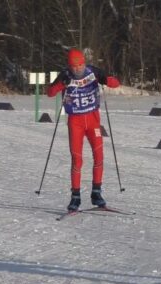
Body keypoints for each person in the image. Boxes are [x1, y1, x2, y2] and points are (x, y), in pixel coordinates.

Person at [47, 48, 120, 211]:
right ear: (69, 65)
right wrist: (61, 84)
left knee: (99, 155)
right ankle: (75, 197)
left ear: (84, 63)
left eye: (80, 65)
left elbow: (116, 83)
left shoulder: (93, 71)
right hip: (75, 122)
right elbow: (50, 93)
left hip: (93, 121)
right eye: (74, 66)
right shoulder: (65, 74)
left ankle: (96, 193)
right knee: (77, 159)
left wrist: (107, 80)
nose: (77, 68)